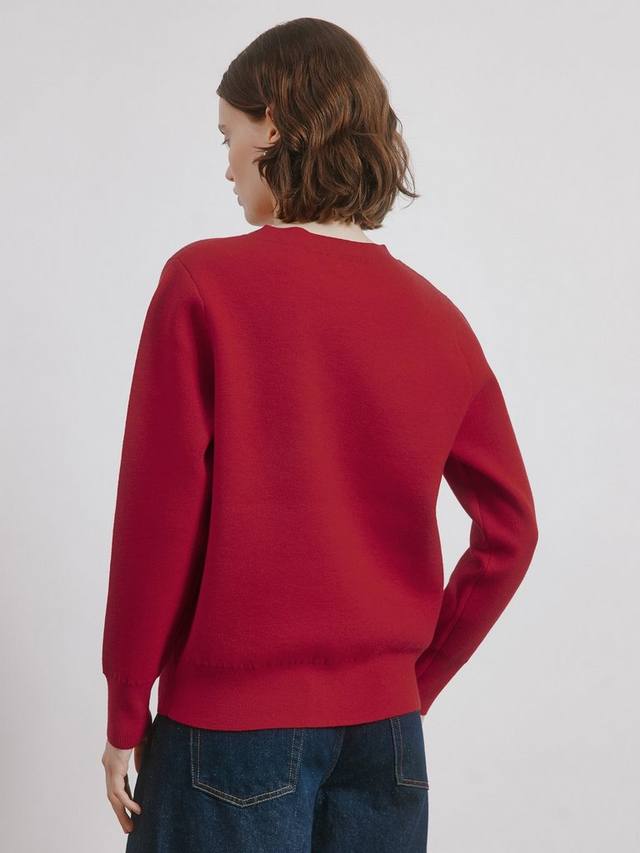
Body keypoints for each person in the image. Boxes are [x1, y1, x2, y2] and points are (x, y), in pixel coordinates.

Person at [100, 16, 538, 853]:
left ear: (273, 125)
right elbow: (512, 530)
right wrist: (412, 682)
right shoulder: (439, 320)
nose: (226, 163)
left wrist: (126, 709)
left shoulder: (203, 285)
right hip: (388, 741)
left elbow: (158, 518)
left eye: (228, 135)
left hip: (229, 734)